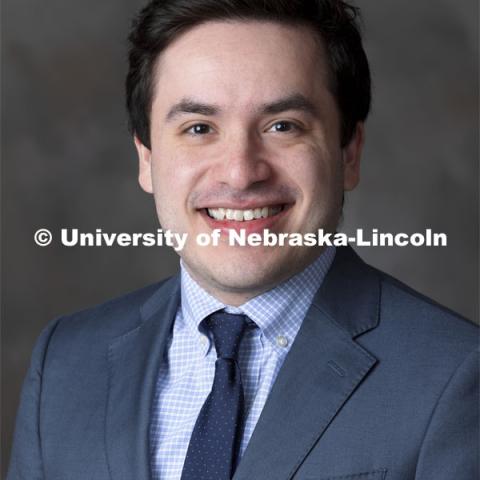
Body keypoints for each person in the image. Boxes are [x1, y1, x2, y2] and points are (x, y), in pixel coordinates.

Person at [8, 1, 478, 479]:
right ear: (146, 158)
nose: (240, 172)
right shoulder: (65, 363)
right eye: (198, 128)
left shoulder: (456, 376)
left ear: (349, 153)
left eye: (283, 126)